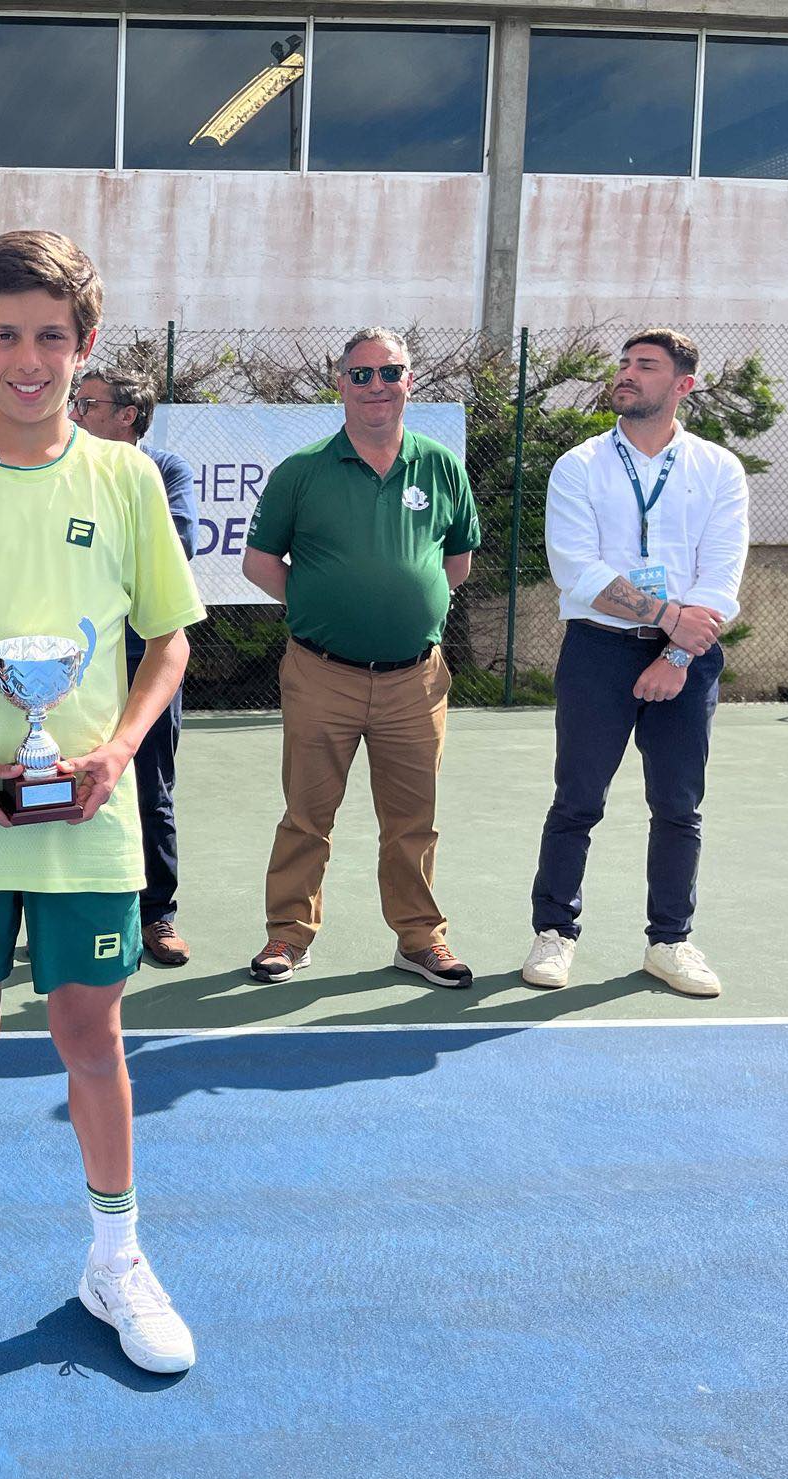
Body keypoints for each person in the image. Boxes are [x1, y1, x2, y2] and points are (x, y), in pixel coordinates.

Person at [0, 230, 205, 1377]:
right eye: (5, 335)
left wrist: (115, 752)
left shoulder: (124, 478)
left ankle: (114, 1260)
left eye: (50, 337)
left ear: (85, 345)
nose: (28, 359)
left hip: (87, 818)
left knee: (89, 1036)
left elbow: (167, 639)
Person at [240, 328, 480, 988]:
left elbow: (456, 562)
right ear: (340, 383)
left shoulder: (440, 466)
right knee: (307, 816)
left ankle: (420, 938)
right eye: (362, 374)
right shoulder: (303, 471)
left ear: (410, 381)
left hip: (416, 681)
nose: (376, 385)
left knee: (413, 823)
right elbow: (260, 562)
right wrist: (322, 604)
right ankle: (288, 936)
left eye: (390, 372)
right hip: (321, 674)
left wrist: (405, 604)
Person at [524, 328, 747, 998]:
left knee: (678, 807)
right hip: (598, 650)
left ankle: (670, 942)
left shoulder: (718, 469)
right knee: (577, 801)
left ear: (682, 385)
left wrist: (675, 651)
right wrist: (668, 616)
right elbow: (577, 570)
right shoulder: (579, 465)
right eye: (623, 364)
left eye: (645, 365)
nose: (626, 374)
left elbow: (721, 580)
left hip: (687, 659)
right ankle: (554, 933)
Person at [72, 365, 198, 966]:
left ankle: (157, 916)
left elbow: (175, 548)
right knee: (60, 781)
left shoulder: (164, 470)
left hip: (145, 663)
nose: (74, 413)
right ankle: (63, 913)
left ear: (127, 415)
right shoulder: (63, 470)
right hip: (75, 666)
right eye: (76, 402)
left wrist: (90, 544)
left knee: (150, 790)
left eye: (87, 404)